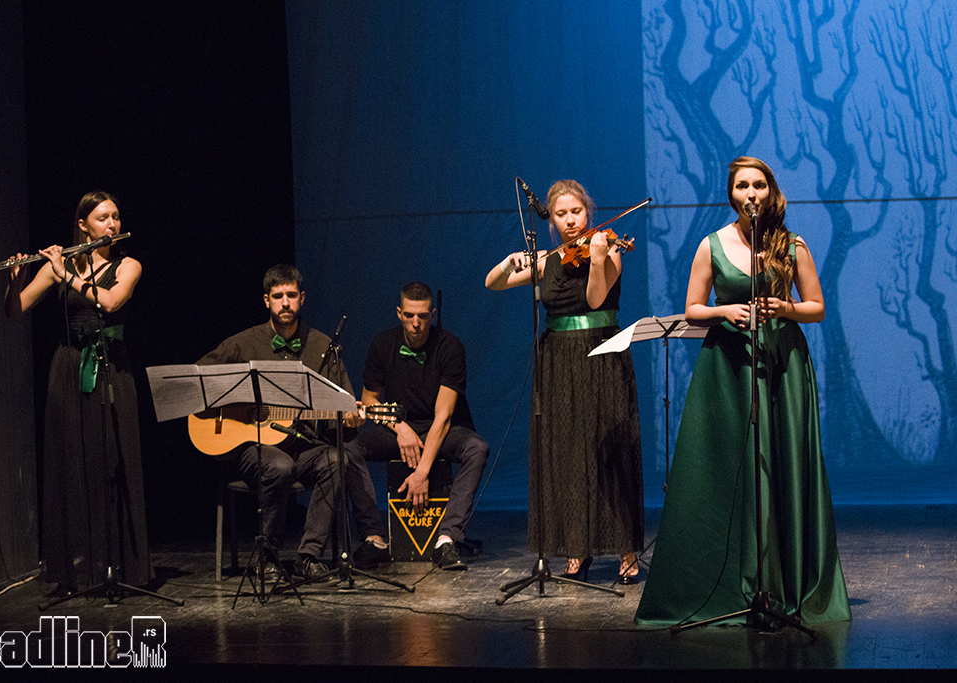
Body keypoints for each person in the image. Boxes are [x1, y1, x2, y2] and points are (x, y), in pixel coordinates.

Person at [634, 157, 851, 625]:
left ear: (770, 192)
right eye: (742, 186)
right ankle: (738, 582)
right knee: (735, 466)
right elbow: (692, 309)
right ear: (731, 194)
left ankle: (781, 584)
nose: (751, 193)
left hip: (783, 364)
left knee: (780, 463)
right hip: (728, 366)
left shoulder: (791, 245)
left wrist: (786, 308)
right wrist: (723, 312)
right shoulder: (711, 245)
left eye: (759, 185)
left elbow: (817, 308)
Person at [485, 179, 644, 582]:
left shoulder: (608, 250)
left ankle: (625, 548)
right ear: (552, 220)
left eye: (576, 211)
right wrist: (508, 262)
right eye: (561, 214)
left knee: (610, 450)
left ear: (588, 211)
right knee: (568, 453)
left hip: (602, 352)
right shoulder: (547, 260)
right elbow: (493, 283)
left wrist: (597, 260)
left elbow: (595, 300)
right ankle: (577, 548)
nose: (571, 220)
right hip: (558, 358)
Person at [5, 191, 151, 593]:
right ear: (83, 225)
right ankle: (78, 572)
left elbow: (111, 302)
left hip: (111, 367)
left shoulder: (128, 265)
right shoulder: (59, 266)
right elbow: (15, 311)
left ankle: (120, 568)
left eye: (116, 217)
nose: (112, 224)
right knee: (71, 464)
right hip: (69, 368)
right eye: (103, 218)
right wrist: (14, 282)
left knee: (113, 460)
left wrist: (66, 275)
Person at [197, 264, 362, 581]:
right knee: (279, 465)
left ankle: (308, 556)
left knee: (335, 460)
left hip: (303, 446)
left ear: (302, 298)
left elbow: (344, 403)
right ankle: (267, 557)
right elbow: (201, 380)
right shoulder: (243, 344)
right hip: (251, 448)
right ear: (266, 300)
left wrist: (350, 418)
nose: (285, 302)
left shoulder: (322, 347)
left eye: (291, 295)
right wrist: (237, 407)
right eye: (277, 296)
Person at [346, 282, 488, 571]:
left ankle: (446, 539)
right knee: (349, 449)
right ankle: (374, 538)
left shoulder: (450, 347)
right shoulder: (383, 344)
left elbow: (443, 417)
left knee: (477, 448)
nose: (416, 323)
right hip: (399, 427)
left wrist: (422, 472)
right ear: (399, 313)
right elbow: (369, 399)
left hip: (441, 429)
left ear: (432, 315)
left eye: (422, 316)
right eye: (409, 315)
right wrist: (400, 428)